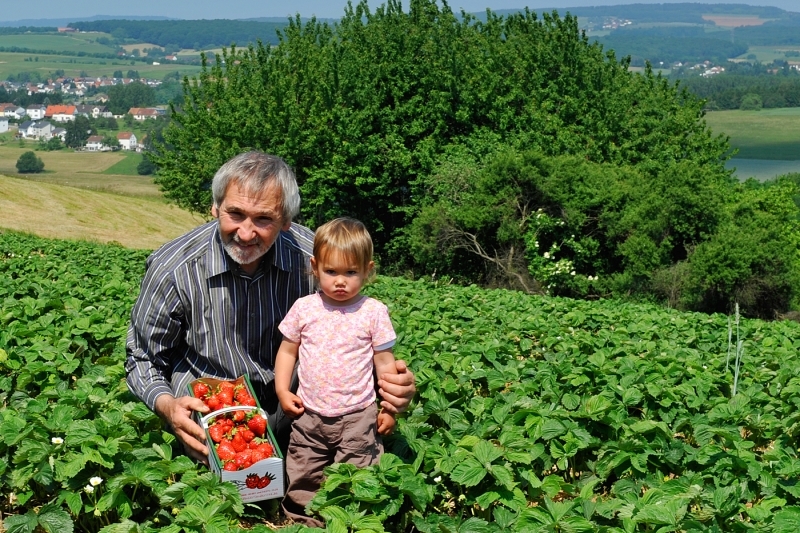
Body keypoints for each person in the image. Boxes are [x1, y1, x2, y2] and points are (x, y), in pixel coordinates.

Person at [124, 151, 416, 467]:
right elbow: (142, 357)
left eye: (263, 219)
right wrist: (168, 407)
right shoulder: (174, 269)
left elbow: (356, 330)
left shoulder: (314, 262)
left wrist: (392, 388)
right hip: (212, 401)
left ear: (286, 220)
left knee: (343, 473)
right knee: (228, 478)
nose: (246, 233)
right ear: (215, 207)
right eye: (235, 214)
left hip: (296, 402)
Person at [274, 218, 396, 525]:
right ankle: (303, 520)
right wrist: (282, 390)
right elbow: (287, 351)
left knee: (355, 471)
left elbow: (385, 364)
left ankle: (350, 520)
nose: (340, 281)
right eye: (331, 271)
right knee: (304, 469)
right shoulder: (304, 308)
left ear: (368, 270)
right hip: (309, 412)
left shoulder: (374, 312)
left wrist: (390, 407)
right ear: (315, 267)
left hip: (358, 414)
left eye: (351, 272)